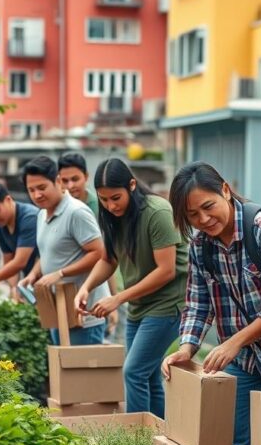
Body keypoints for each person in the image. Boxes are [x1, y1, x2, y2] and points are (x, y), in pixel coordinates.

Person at [160, 162, 261, 445]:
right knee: (234, 437)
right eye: (193, 215)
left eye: (208, 206)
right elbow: (198, 303)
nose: (204, 219)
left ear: (225, 189)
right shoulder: (200, 246)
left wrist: (233, 343)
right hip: (248, 359)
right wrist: (185, 350)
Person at [76, 159, 188, 419]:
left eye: (116, 197)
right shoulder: (113, 216)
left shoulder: (157, 212)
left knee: (133, 371)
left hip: (168, 304)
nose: (110, 205)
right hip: (140, 306)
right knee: (147, 375)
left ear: (132, 185)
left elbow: (166, 270)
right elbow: (108, 259)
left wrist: (118, 298)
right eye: (104, 200)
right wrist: (86, 288)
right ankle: (160, 437)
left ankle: (136, 442)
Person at [19, 156, 110, 345]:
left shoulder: (76, 212)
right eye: (31, 190)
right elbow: (49, 253)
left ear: (58, 182)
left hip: (84, 314)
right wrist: (34, 274)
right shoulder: (42, 214)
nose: (36, 195)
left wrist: (60, 273)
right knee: (64, 372)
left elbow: (99, 253)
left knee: (83, 374)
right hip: (59, 310)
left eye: (42, 188)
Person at [59, 152, 121, 338]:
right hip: (75, 292)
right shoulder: (62, 207)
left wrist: (113, 299)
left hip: (105, 287)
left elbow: (106, 256)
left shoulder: (99, 207)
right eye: (65, 180)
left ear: (86, 176)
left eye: (75, 179)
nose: (70, 185)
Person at [0, 179, 39, 302]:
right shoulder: (0, 226)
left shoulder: (29, 217)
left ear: (8, 200)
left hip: (49, 279)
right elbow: (9, 263)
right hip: (31, 283)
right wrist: (14, 288)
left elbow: (20, 262)